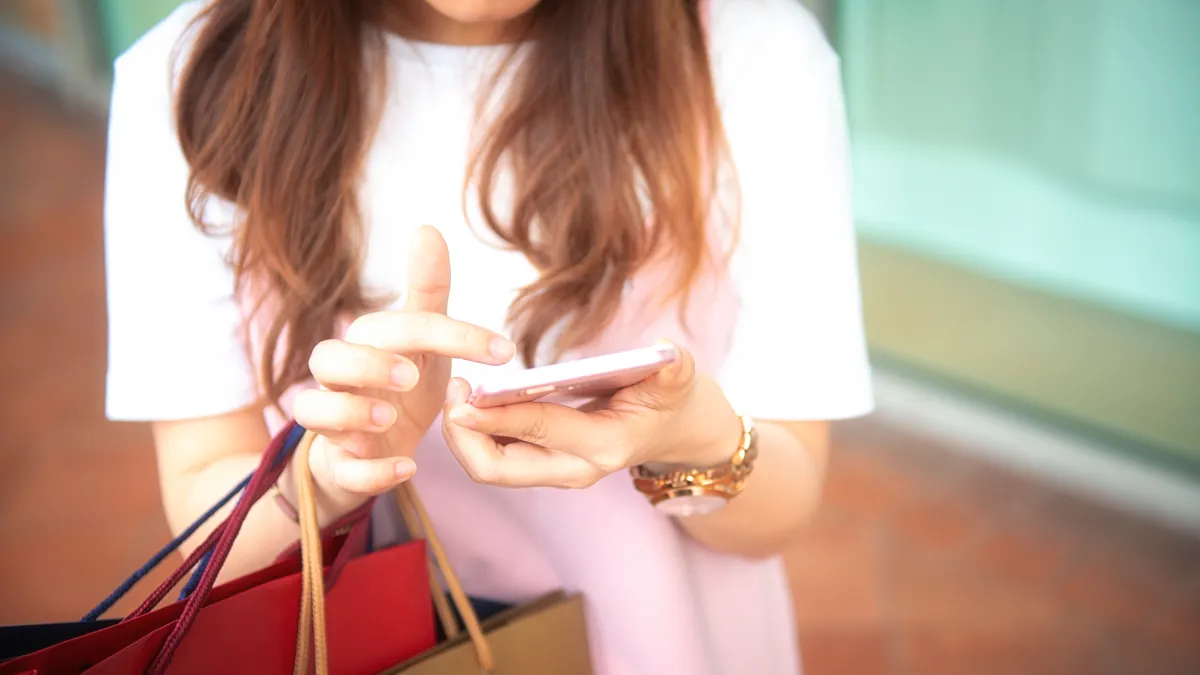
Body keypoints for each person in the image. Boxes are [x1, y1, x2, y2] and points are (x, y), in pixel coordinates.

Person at [102, 0, 873, 672]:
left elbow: (786, 500)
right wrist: (327, 479)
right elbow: (206, 523)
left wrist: (690, 436)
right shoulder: (189, 82)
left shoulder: (756, 54)